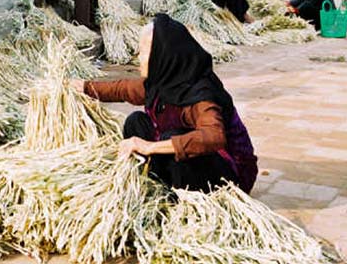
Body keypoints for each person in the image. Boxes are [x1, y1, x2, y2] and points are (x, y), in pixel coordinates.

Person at [71, 15, 257, 193]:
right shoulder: (164, 81)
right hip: (191, 163)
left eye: (143, 52)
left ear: (161, 55)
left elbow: (213, 137)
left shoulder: (200, 94)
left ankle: (181, 197)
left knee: (172, 138)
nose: (138, 58)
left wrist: (149, 147)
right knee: (136, 122)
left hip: (229, 174)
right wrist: (84, 87)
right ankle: (159, 181)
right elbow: (123, 89)